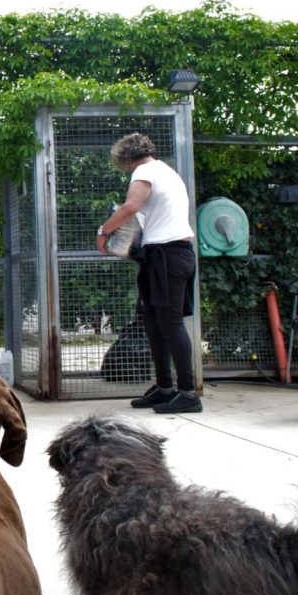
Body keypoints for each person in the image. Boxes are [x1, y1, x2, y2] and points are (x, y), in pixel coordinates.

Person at [96, 132, 202, 413]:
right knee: (153, 324)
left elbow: (131, 207)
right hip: (161, 255)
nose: (127, 170)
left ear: (128, 158)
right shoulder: (165, 172)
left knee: (171, 323)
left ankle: (188, 393)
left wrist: (104, 231)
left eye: (124, 165)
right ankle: (165, 387)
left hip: (168, 255)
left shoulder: (145, 170)